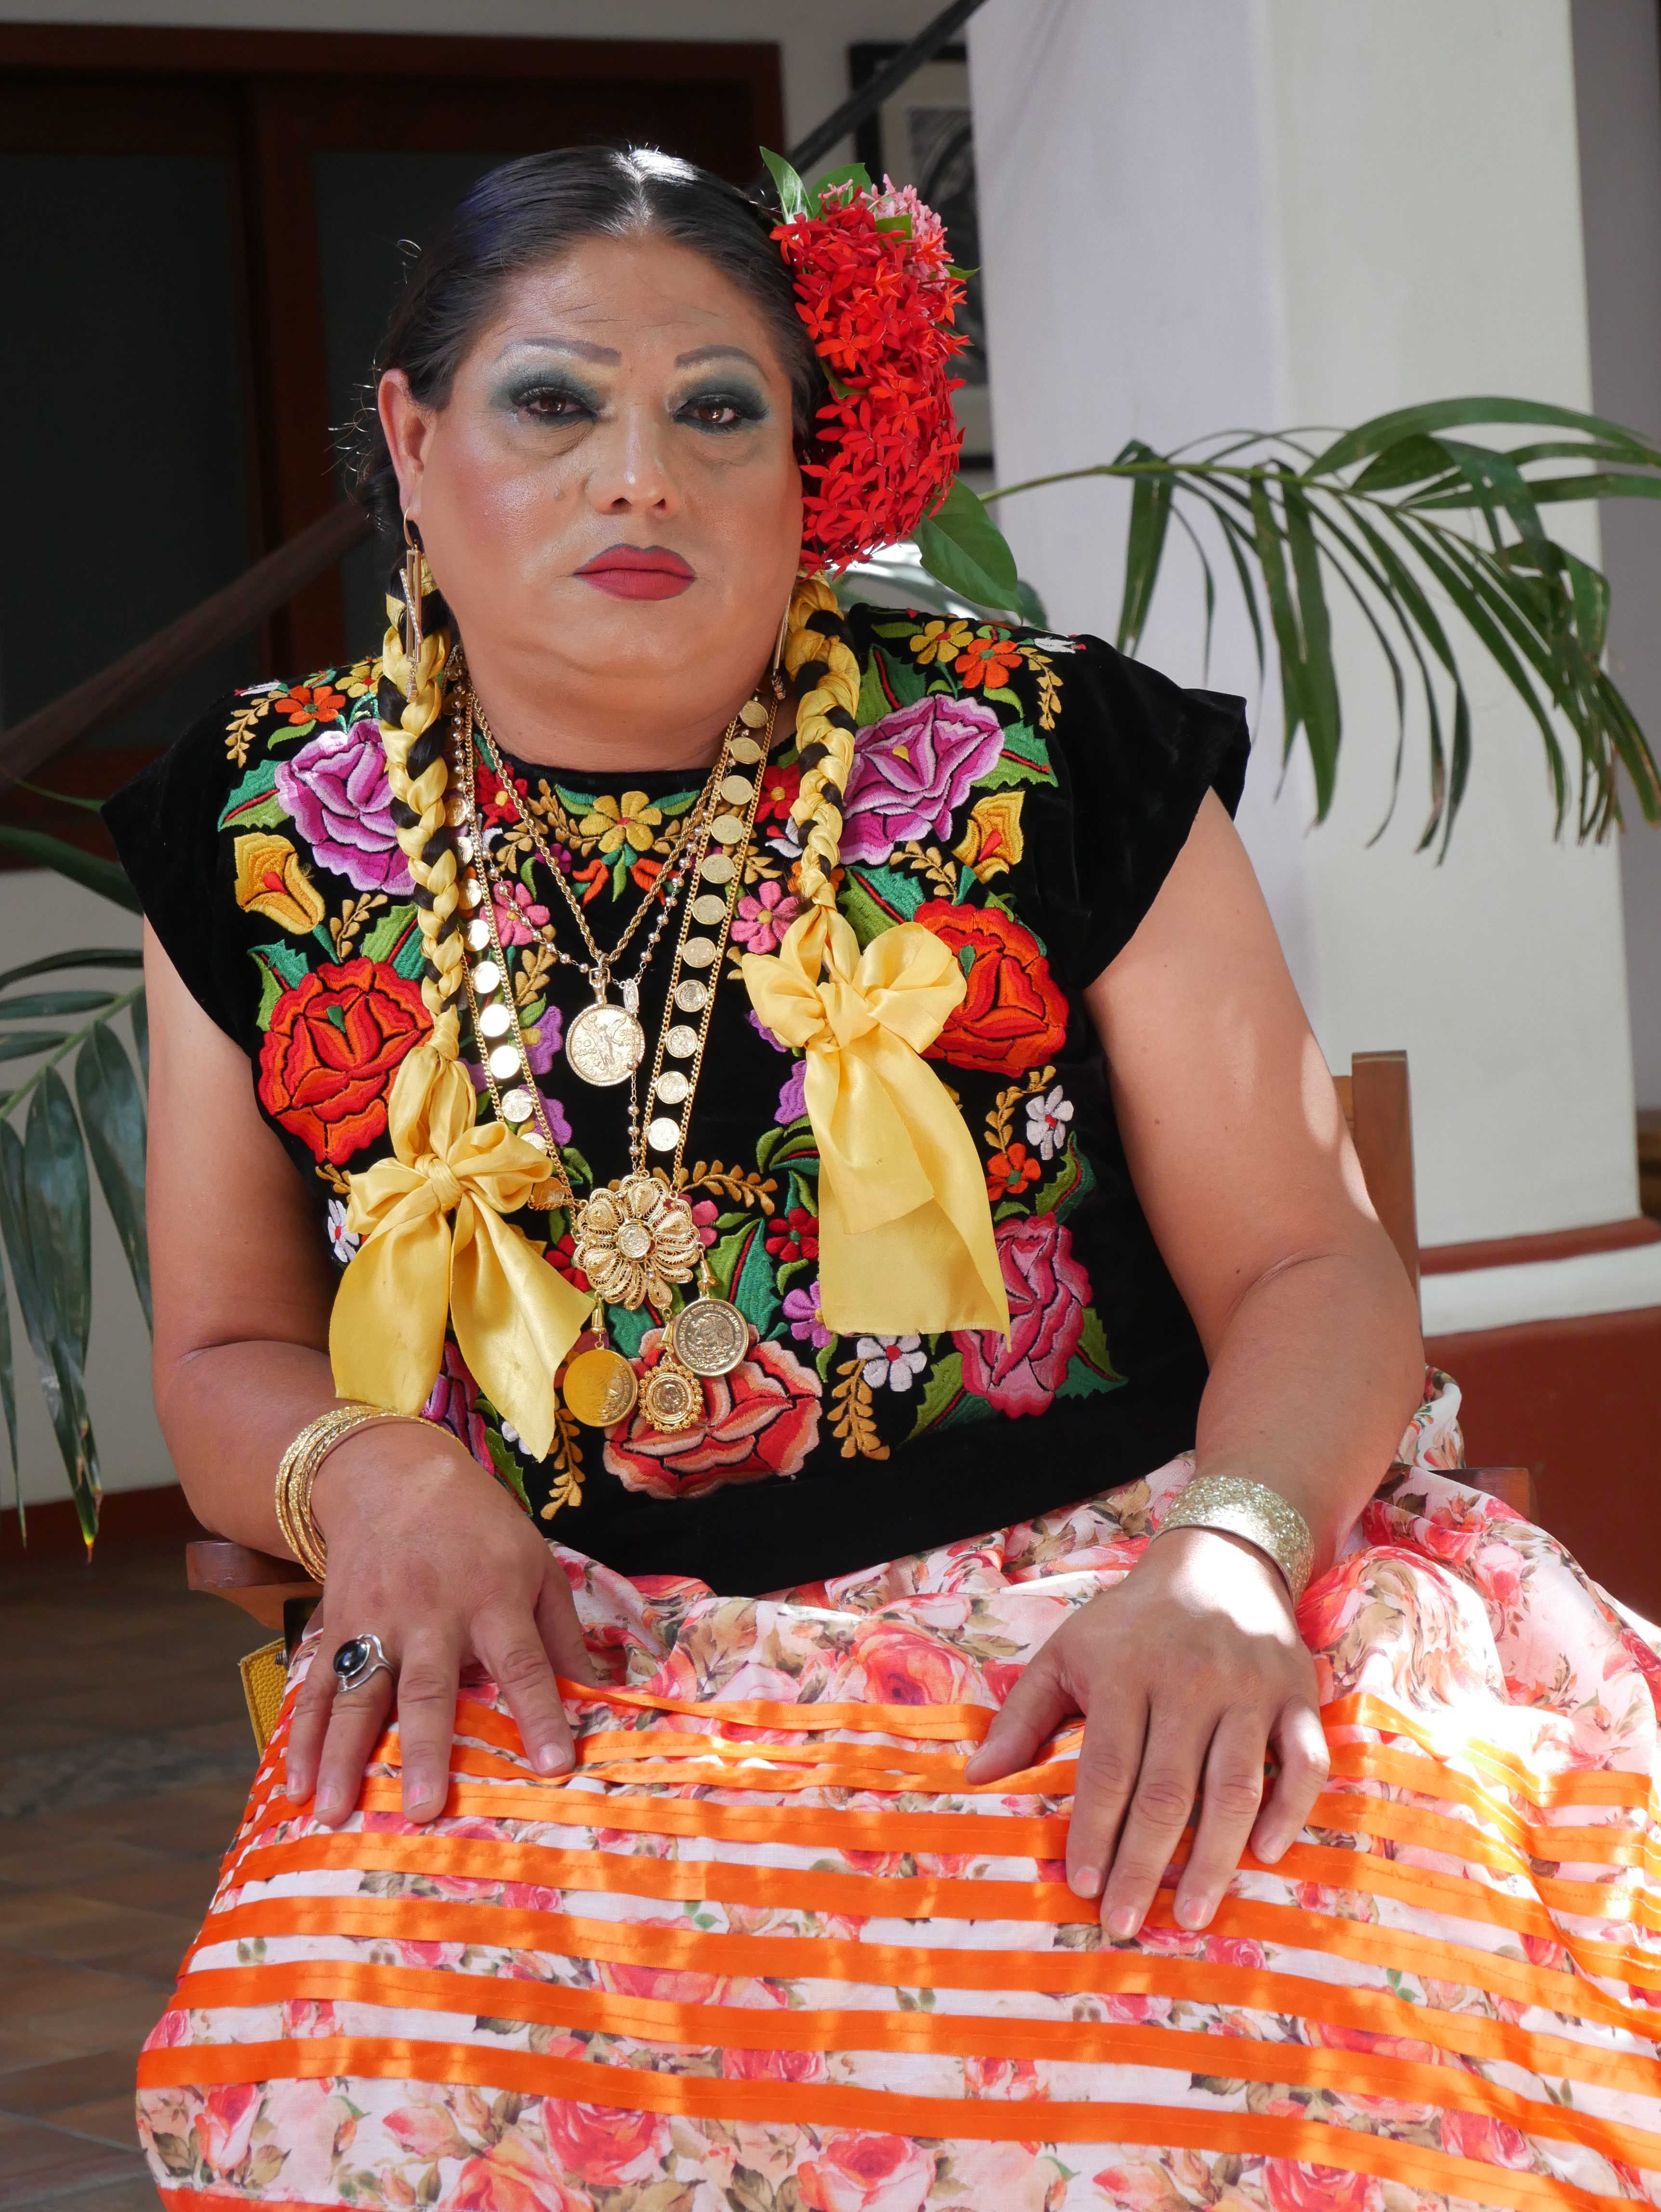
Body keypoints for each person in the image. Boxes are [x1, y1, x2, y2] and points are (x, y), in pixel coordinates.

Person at [112, 148, 1661, 2212]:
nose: (640, 475)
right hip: (572, 1661)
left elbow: (1310, 1257)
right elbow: (222, 1346)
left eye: (718, 407)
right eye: (554, 401)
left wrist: (1224, 1561)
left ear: (810, 459)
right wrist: (375, 1480)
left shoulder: (1051, 752)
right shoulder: (248, 826)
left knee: (1313, 2032)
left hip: (1105, 1591)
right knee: (382, 2073)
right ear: (412, 438)